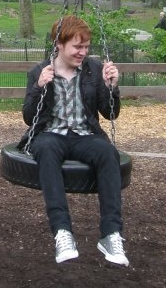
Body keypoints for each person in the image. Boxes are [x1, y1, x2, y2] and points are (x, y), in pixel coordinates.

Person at [18, 15, 129, 267]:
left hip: (84, 135)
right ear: (59, 44)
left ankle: (111, 234)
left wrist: (111, 87)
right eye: (77, 47)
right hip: (51, 135)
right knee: (46, 149)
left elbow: (110, 114)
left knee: (107, 153)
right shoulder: (40, 72)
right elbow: (29, 118)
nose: (83, 52)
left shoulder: (94, 70)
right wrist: (38, 87)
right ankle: (62, 232)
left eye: (86, 47)